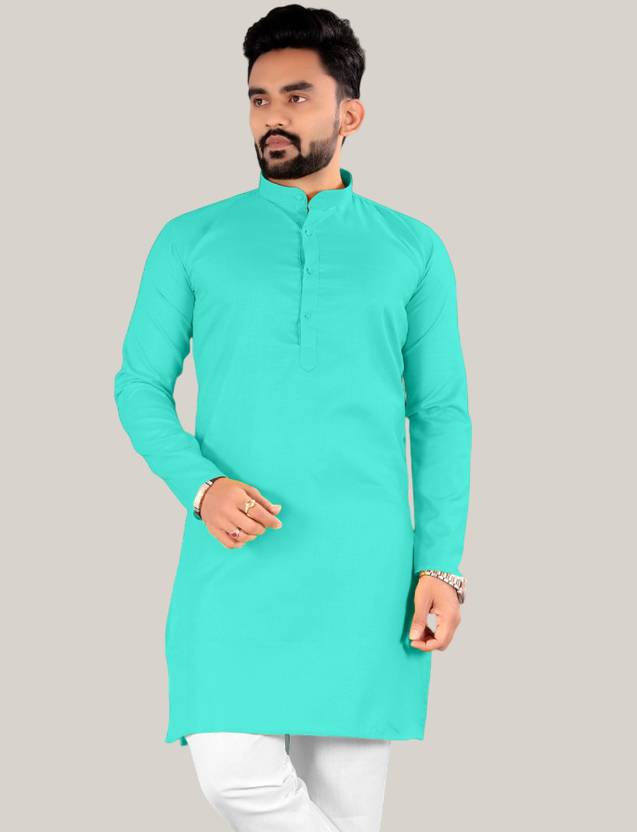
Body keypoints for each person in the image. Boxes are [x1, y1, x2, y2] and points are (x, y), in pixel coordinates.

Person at [113, 5, 472, 830]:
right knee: (231, 773)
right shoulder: (192, 238)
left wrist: (441, 566)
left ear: (350, 114)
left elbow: (440, 413)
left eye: (297, 96)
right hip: (233, 557)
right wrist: (201, 487)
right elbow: (138, 385)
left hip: (365, 569)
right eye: (258, 98)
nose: (272, 116)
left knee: (349, 810)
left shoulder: (411, 247)